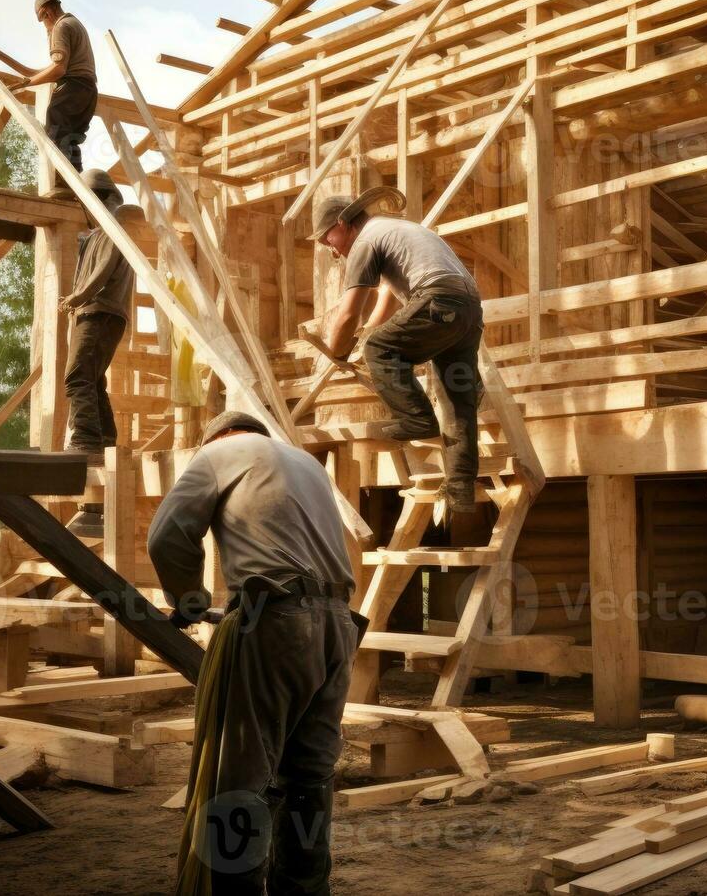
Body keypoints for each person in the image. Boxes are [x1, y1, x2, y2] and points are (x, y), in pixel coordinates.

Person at [148, 411, 357, 895]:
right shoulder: (307, 463)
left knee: (240, 778)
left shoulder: (218, 453)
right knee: (310, 775)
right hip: (338, 625)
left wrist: (190, 602)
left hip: (276, 622)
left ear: (219, 437)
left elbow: (167, 536)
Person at [311, 187, 484, 514]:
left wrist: (336, 350)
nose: (332, 252)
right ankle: (461, 489)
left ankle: (417, 419)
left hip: (437, 300)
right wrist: (365, 336)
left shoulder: (365, 240)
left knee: (380, 348)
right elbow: (388, 301)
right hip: (468, 310)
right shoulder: (398, 231)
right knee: (457, 398)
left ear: (342, 223)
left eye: (327, 241)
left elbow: (350, 313)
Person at [0, 0, 98, 177]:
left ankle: (64, 183)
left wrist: (26, 84)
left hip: (72, 88)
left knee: (55, 133)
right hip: (88, 92)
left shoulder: (60, 27)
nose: (45, 28)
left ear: (45, 13)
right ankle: (76, 183)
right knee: (69, 139)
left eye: (42, 21)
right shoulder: (74, 24)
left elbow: (58, 70)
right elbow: (34, 72)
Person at [61, 168, 135, 457]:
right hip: (102, 313)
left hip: (98, 312)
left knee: (77, 376)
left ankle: (86, 441)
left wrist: (78, 296)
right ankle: (104, 440)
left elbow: (103, 270)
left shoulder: (111, 226)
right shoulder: (101, 232)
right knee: (92, 380)